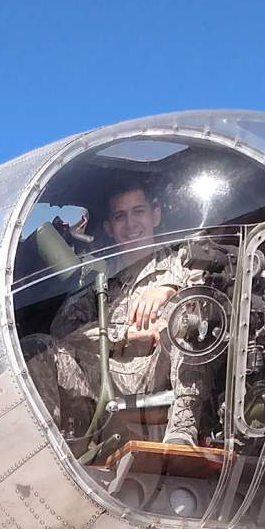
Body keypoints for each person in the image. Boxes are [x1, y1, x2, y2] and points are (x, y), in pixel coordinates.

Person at [25, 179, 211, 450]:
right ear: (110, 229)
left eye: (139, 211)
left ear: (155, 215)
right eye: (120, 216)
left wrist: (169, 289)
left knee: (189, 318)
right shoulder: (100, 279)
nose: (131, 224)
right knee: (40, 348)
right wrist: (123, 333)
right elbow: (64, 331)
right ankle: (61, 445)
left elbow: (213, 295)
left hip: (162, 373)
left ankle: (183, 428)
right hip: (111, 379)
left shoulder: (184, 261)